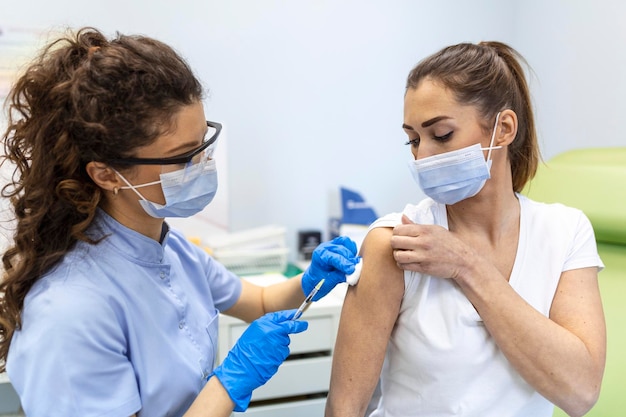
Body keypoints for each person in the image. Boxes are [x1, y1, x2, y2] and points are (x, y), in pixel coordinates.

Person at [0, 27, 359, 417]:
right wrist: (229, 382)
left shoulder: (168, 248)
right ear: (105, 174)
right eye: (182, 156)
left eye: (204, 144)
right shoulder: (69, 311)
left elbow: (257, 302)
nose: (203, 166)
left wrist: (309, 282)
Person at [325, 41, 606, 417]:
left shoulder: (565, 232)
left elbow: (581, 392)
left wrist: (467, 265)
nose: (421, 155)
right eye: (413, 139)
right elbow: (345, 407)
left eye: (440, 134)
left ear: (503, 129)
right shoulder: (396, 242)